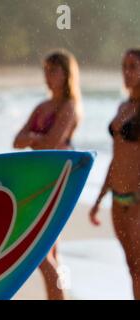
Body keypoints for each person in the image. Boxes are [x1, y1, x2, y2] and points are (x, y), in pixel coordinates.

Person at [13, 50, 83, 300]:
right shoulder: (41, 106)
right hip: (37, 182)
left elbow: (53, 142)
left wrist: (33, 138)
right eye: (45, 69)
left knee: (38, 250)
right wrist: (34, 139)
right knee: (50, 251)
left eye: (53, 70)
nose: (48, 75)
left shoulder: (69, 106)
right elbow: (17, 141)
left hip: (57, 185)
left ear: (66, 74)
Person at [90, 48, 140, 300]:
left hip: (136, 201)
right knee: (132, 267)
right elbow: (117, 157)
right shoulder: (123, 106)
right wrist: (99, 199)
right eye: (124, 66)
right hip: (116, 199)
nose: (127, 72)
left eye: (133, 66)